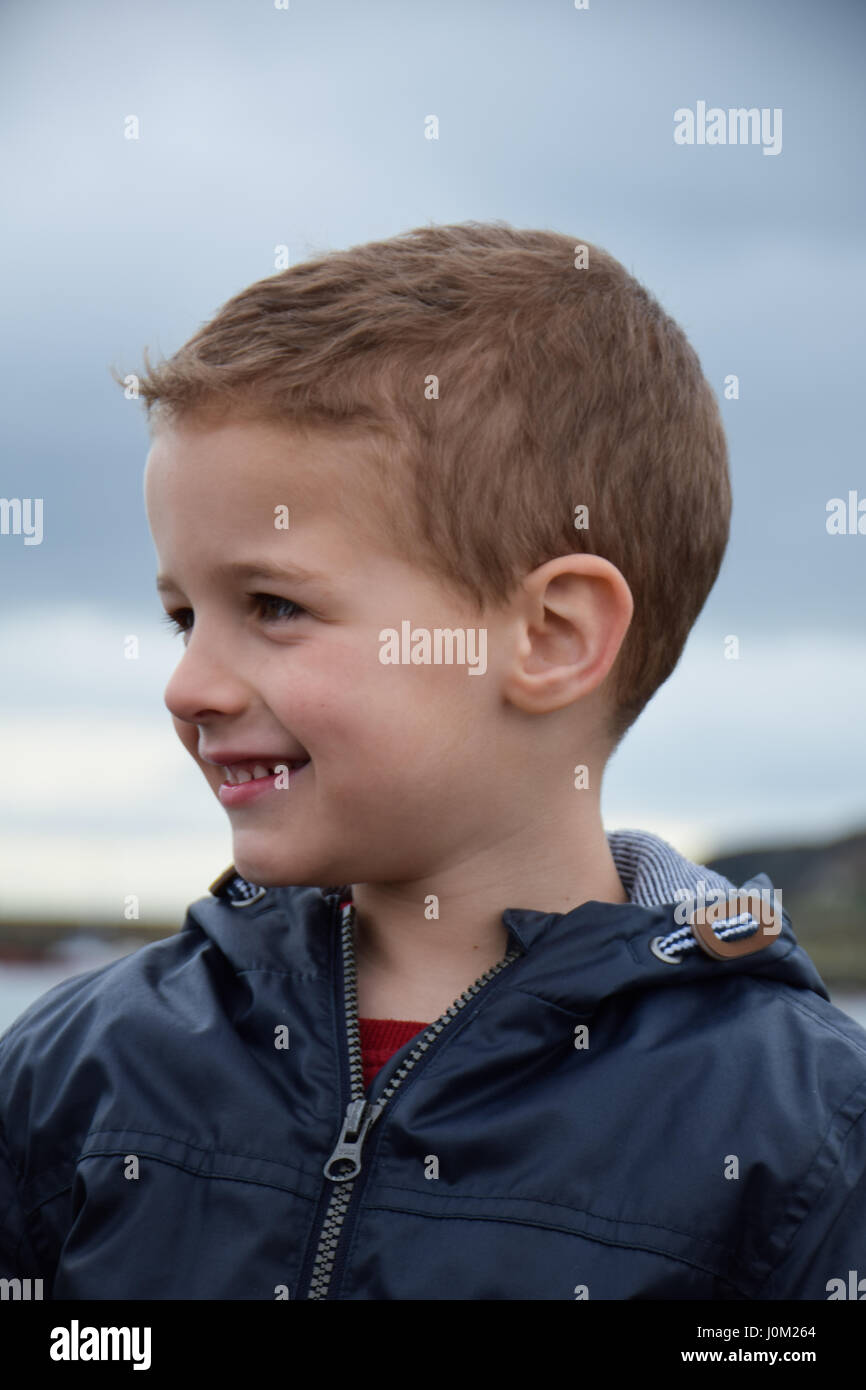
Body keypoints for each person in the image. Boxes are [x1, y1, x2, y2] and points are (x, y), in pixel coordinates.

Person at [2, 222, 864, 1300]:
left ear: (549, 635)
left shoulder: (801, 1133)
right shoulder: (73, 1074)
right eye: (184, 616)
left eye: (272, 605)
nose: (190, 686)